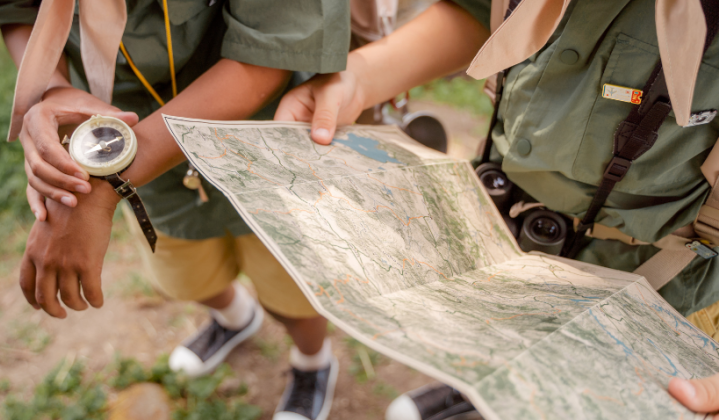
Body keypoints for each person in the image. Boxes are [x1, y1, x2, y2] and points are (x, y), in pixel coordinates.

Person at [273, 0, 719, 418]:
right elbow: (477, 13)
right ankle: (475, 389)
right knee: (495, 344)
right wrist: (364, 76)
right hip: (505, 234)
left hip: (657, 283)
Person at [0, 1, 349, 418]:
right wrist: (53, 87)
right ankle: (233, 317)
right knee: (186, 277)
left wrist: (105, 184)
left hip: (260, 141)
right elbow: (5, 6)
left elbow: (271, 51)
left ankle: (313, 362)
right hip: (145, 164)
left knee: (293, 296)